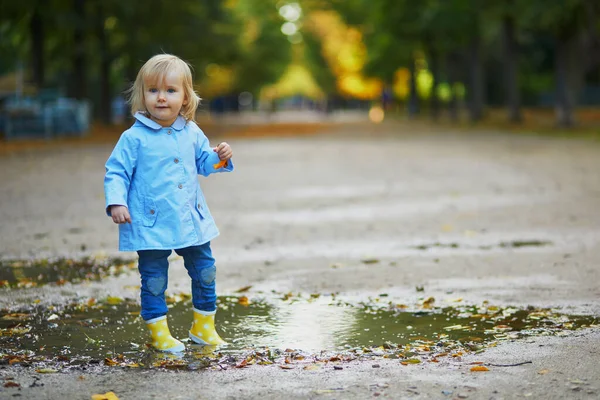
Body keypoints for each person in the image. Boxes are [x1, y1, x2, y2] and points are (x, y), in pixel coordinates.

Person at [104, 54, 234, 353]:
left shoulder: (191, 131)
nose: (161, 98)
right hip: (150, 221)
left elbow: (204, 163)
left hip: (190, 218)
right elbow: (116, 172)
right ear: (142, 95)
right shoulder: (133, 138)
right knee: (153, 279)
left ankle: (203, 327)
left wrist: (220, 156)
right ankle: (159, 332)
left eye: (171, 90)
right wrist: (117, 203)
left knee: (205, 270)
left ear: (186, 96)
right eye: (153, 90)